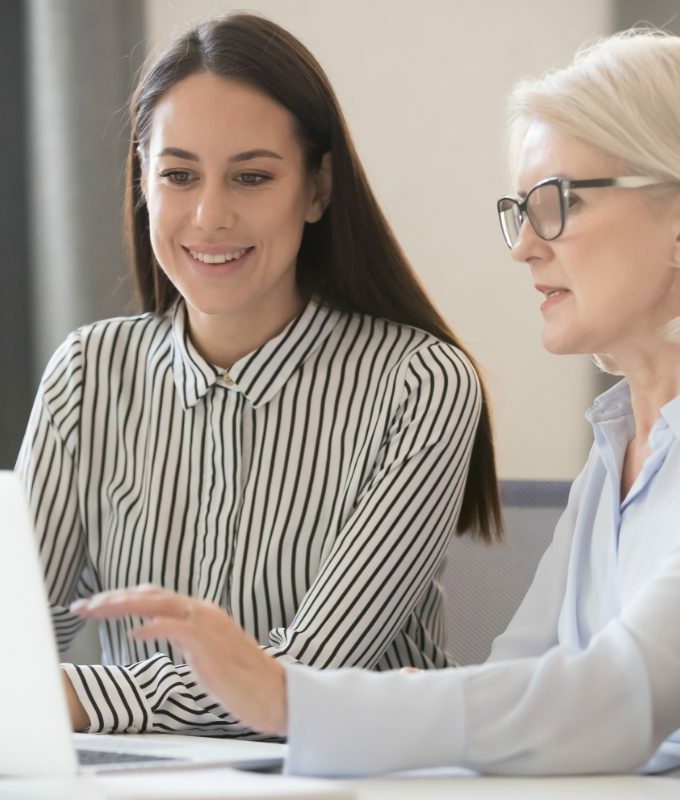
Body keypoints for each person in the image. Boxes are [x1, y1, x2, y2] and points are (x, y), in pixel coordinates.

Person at [73, 29, 680, 774]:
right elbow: (514, 680)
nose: (523, 244)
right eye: (519, 209)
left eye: (557, 202)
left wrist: (291, 697)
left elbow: (614, 704)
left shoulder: (418, 383)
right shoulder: (620, 444)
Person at [16, 12, 500, 737]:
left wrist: (81, 698)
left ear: (316, 189)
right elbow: (2, 648)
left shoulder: (420, 383)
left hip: (362, 781)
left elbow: (302, 685)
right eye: (178, 175)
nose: (210, 215)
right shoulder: (88, 374)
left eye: (251, 176)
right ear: (143, 183)